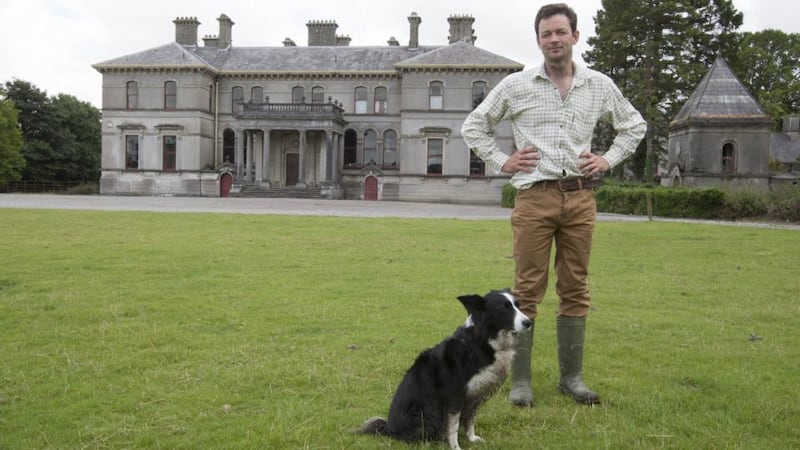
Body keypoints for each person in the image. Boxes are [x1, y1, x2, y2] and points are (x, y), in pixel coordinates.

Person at [461, 3, 646, 406]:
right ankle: (520, 382)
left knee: (576, 286)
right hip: (534, 198)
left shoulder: (598, 85)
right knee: (526, 291)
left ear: (575, 37)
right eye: (546, 34)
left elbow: (634, 125)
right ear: (539, 40)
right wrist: (502, 161)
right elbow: (473, 125)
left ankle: (572, 378)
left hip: (581, 198)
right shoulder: (517, 85)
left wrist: (607, 159)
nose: (554, 40)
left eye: (561, 32)